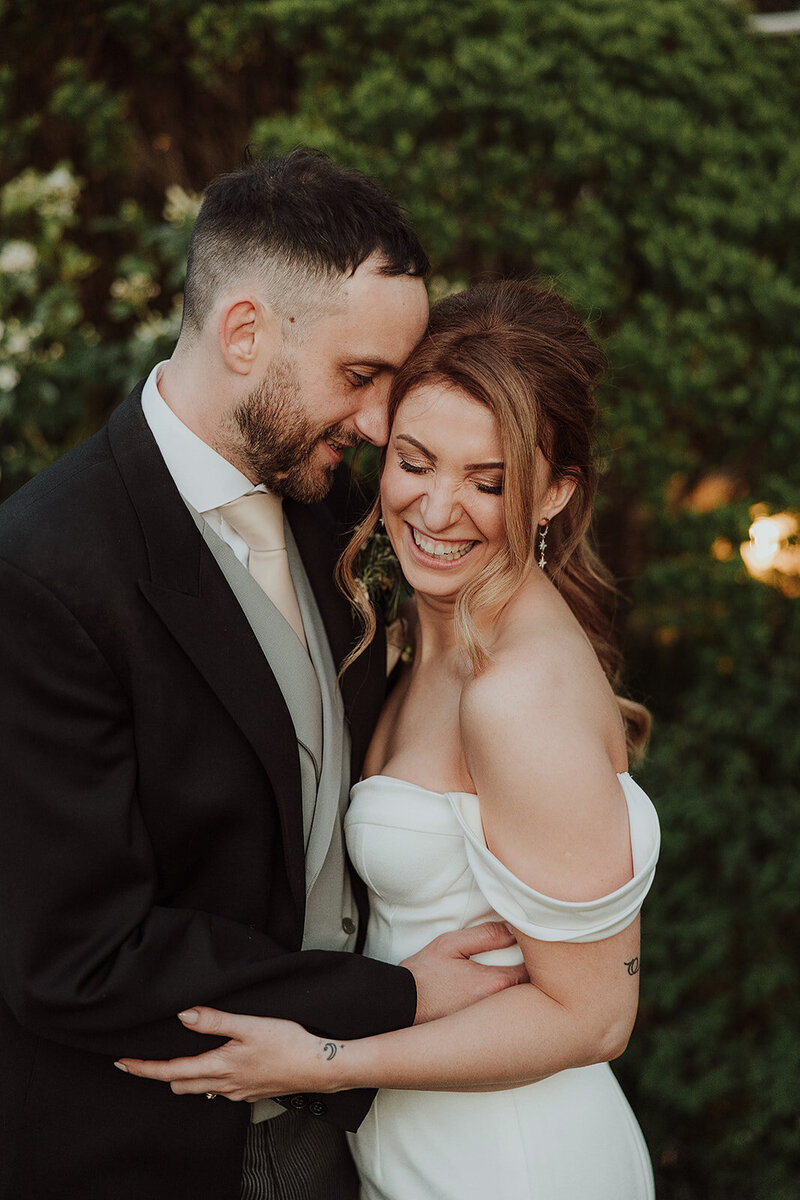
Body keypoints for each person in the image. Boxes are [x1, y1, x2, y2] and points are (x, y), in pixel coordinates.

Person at [0, 154, 529, 1200]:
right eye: (360, 376)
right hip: (146, 1155)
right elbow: (78, 954)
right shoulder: (42, 572)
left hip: (349, 1136)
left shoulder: (331, 517)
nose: (381, 428)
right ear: (245, 334)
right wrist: (389, 1000)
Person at [118, 279, 661, 1199]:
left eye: (489, 482)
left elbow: (595, 1018)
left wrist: (321, 1060)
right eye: (416, 460)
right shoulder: (415, 632)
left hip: (513, 1164)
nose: (438, 509)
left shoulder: (517, 693)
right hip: (413, 1147)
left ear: (554, 494)